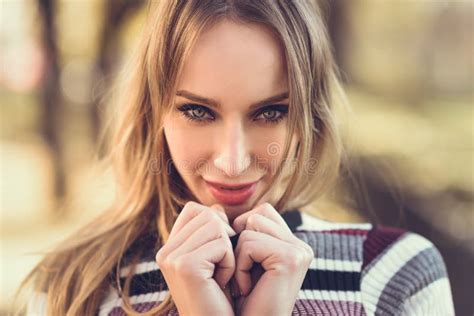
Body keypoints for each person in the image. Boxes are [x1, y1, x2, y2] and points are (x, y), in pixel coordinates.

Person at [14, 0, 455, 315]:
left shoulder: (394, 272)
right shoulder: (73, 287)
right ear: (155, 110)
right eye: (198, 111)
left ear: (305, 115)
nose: (232, 161)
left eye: (270, 112)